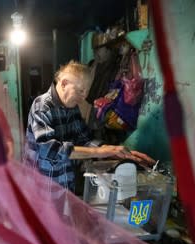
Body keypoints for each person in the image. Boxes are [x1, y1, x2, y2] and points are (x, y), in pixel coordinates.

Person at [24, 60, 154, 195]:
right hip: (41, 188)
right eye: (80, 90)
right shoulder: (42, 106)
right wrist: (100, 152)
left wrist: (115, 151)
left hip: (65, 181)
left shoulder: (72, 107)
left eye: (86, 91)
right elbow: (50, 150)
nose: (84, 96)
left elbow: (84, 138)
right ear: (64, 84)